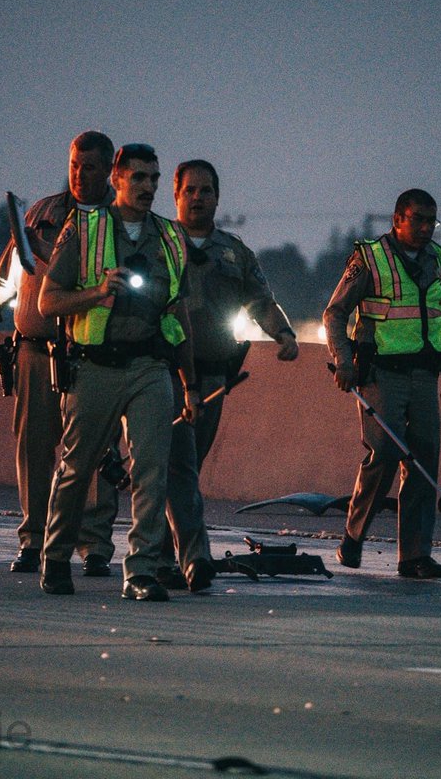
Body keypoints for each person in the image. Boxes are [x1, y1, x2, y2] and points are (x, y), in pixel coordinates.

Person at [38, 143, 201, 601]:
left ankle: (141, 572)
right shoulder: (85, 229)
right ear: (117, 178)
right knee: (76, 467)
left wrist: (189, 384)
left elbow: (180, 313)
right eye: (139, 178)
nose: (148, 187)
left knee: (152, 471)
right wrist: (96, 292)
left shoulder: (169, 237)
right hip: (94, 367)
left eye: (154, 178)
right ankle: (55, 558)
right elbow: (46, 301)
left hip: (150, 366)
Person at [0, 130, 119, 577]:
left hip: (93, 355)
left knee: (97, 454)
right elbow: (8, 278)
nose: (80, 175)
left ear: (110, 170)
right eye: (74, 165)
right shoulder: (42, 214)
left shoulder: (120, 221)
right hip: (34, 350)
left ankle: (95, 545)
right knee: (34, 447)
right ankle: (34, 539)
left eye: (90, 167)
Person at [155, 159, 299, 589]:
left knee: (187, 468)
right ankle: (176, 559)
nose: (198, 198)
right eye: (190, 190)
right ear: (176, 195)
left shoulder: (234, 252)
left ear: (217, 196)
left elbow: (261, 302)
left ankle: (171, 558)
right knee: (173, 467)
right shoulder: (159, 243)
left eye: (206, 191)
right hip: (163, 373)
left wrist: (284, 334)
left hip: (215, 376)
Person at [322, 188, 441, 579]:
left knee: (424, 461)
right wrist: (343, 361)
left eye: (431, 221)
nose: (426, 228)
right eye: (418, 219)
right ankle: (354, 534)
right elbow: (335, 313)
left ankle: (415, 556)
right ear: (397, 220)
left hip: (425, 372)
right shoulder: (370, 258)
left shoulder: (439, 258)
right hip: (380, 374)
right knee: (386, 453)